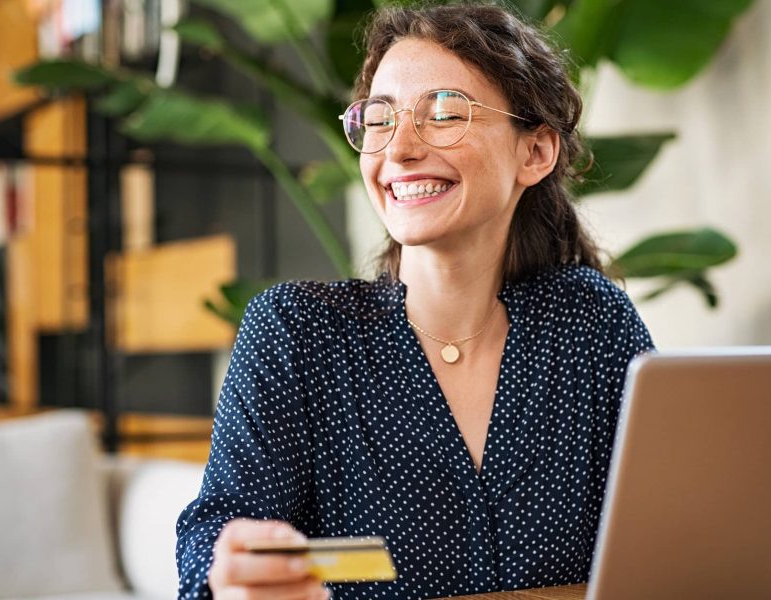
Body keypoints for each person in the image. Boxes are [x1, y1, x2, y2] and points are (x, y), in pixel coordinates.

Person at [176, 4, 655, 599]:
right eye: (379, 120)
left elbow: (670, 530)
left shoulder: (592, 323)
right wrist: (229, 573)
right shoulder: (297, 332)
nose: (398, 149)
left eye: (445, 113)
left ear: (534, 153)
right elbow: (215, 532)